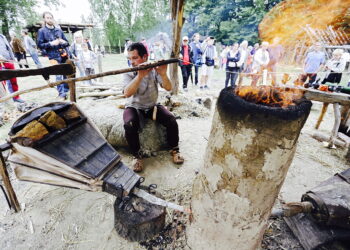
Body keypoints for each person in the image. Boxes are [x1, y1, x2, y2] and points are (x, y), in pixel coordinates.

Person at [123, 42, 184, 172]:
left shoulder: (154, 69)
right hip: (134, 106)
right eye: (130, 59)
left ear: (145, 57)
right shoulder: (128, 72)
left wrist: (163, 74)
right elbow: (127, 93)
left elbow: (168, 87)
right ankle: (137, 156)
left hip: (152, 106)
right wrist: (139, 76)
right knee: (129, 124)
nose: (132, 62)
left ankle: (175, 150)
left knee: (171, 120)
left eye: (135, 58)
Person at [37, 11, 70, 100]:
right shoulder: (41, 31)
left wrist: (64, 42)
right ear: (44, 19)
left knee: (65, 73)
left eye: (51, 17)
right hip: (52, 56)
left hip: (63, 54)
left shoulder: (58, 30)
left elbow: (67, 43)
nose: (49, 19)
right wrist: (51, 43)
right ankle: (61, 94)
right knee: (58, 74)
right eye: (47, 18)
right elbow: (40, 45)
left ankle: (66, 90)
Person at [0, 33, 24, 103]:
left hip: (9, 61)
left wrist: (12, 58)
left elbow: (8, 48)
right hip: (0, 63)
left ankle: (16, 97)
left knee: (13, 80)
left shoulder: (2, 36)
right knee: (1, 83)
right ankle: (3, 100)